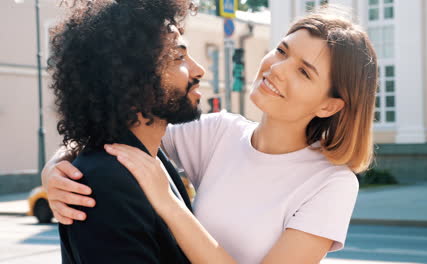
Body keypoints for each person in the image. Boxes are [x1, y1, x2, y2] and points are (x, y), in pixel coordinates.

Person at [43, 6, 378, 264]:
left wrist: (170, 206)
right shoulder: (218, 133)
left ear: (330, 106)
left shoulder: (331, 183)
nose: (276, 69)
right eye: (281, 51)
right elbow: (125, 124)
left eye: (304, 71)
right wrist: (60, 165)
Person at [45, 0, 205, 262]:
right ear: (133, 77)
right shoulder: (102, 184)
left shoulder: (151, 159)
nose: (199, 70)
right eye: (179, 57)